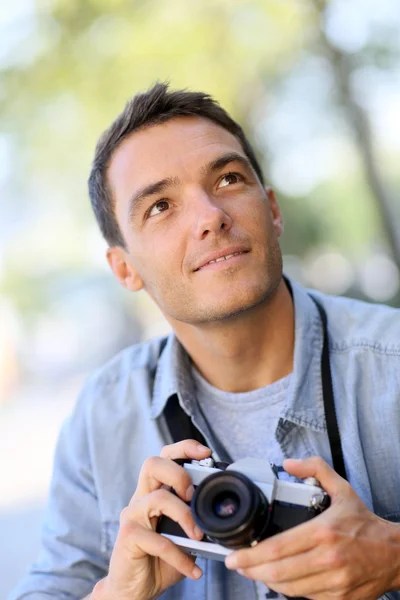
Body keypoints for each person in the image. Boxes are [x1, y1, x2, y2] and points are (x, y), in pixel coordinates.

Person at [9, 82, 400, 600]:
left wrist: (392, 558)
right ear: (125, 268)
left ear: (273, 209)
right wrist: (116, 593)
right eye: (160, 206)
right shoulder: (102, 417)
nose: (209, 217)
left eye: (229, 178)